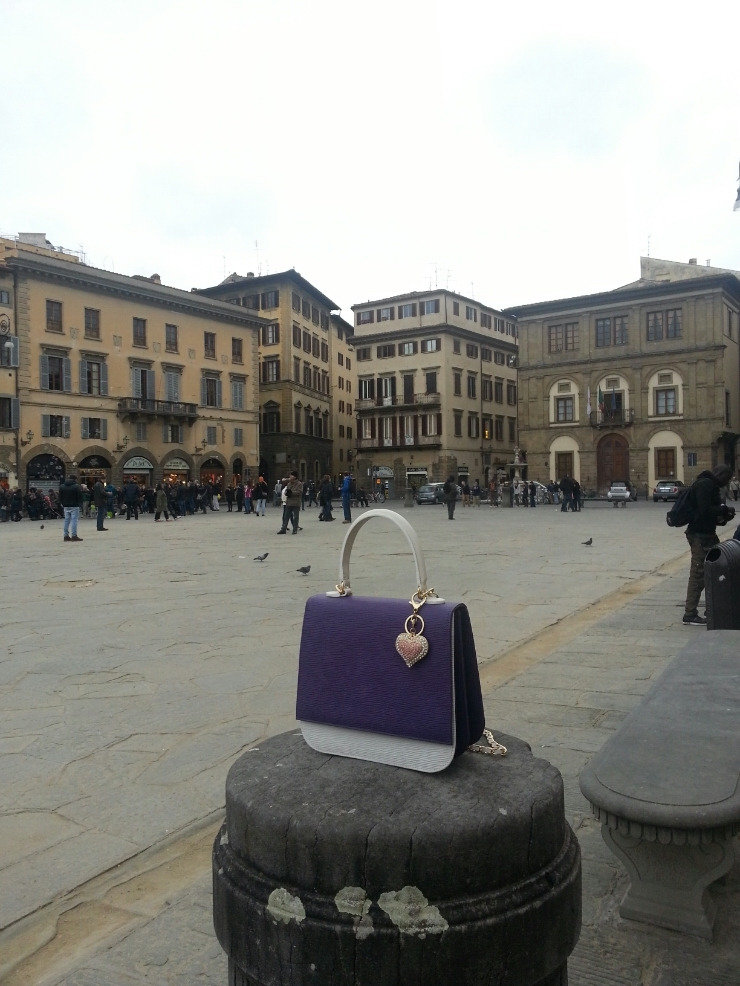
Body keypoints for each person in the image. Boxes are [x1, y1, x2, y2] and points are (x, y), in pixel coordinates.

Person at [683, 464, 735, 626]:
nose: (727, 482)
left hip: (708, 535)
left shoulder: (712, 485)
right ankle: (690, 614)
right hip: (699, 536)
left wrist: (725, 516)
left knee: (716, 569)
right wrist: (723, 509)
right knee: (698, 574)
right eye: (727, 478)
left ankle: (712, 608)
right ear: (720, 474)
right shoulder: (704, 484)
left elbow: (711, 515)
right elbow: (704, 510)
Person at [59, 474, 84, 542]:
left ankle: (66, 535)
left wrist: (62, 503)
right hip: (74, 505)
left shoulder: (62, 486)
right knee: (74, 520)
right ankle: (74, 535)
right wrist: (80, 504)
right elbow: (80, 496)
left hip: (65, 506)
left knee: (66, 520)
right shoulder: (76, 486)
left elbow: (60, 496)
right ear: (75, 479)